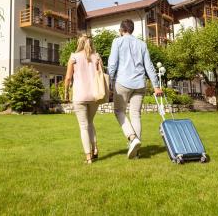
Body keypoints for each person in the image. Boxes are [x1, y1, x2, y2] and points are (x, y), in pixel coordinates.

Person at [108, 19, 163, 159]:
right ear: (132, 30)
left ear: (121, 30)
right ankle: (136, 152)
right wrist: (156, 86)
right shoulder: (142, 44)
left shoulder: (117, 42)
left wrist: (109, 83)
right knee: (136, 115)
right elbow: (149, 66)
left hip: (123, 83)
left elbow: (112, 64)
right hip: (139, 84)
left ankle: (132, 138)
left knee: (119, 111)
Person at [64, 34, 103, 164]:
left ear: (79, 43)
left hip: (79, 96)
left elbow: (68, 78)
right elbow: (101, 76)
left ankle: (88, 158)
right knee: (90, 123)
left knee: (83, 126)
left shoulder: (73, 57)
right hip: (94, 96)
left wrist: (66, 92)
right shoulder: (97, 57)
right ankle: (95, 149)